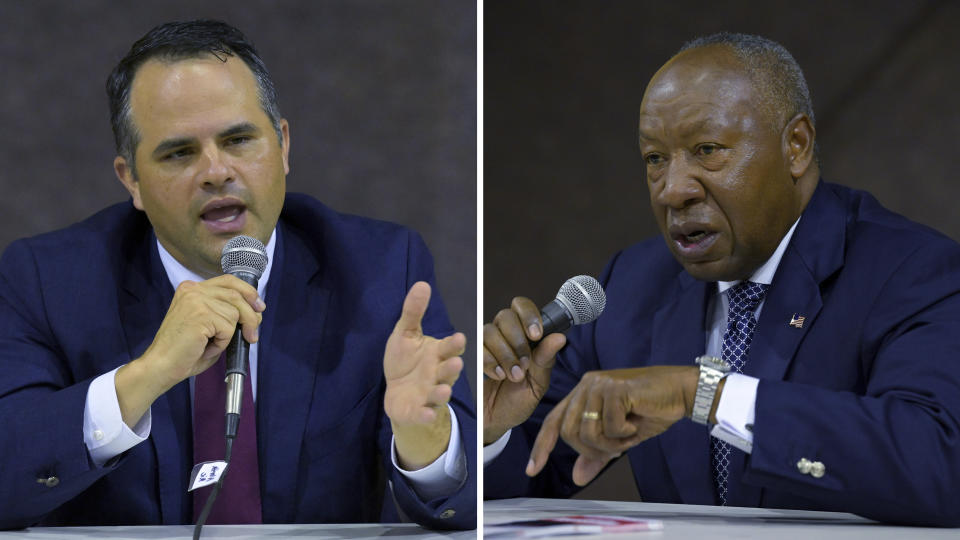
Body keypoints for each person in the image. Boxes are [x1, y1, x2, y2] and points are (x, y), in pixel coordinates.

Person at [0, 20, 474, 529]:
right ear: (131, 180)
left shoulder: (379, 269)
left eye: (239, 140)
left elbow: (464, 505)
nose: (217, 171)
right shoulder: (47, 280)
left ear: (283, 146)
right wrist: (146, 375)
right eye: (180, 152)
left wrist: (423, 439)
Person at [483, 32, 960, 527]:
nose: (673, 191)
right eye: (655, 159)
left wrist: (705, 394)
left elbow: (940, 462)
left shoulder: (913, 271)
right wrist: (495, 430)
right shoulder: (633, 286)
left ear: (796, 146)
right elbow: (526, 473)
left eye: (707, 149)